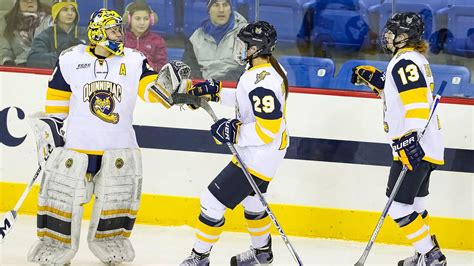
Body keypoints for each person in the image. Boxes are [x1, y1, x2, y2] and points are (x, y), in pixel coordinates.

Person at [26, 8, 190, 265]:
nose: (119, 35)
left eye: (119, 30)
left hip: (118, 148)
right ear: (97, 32)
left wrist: (169, 85)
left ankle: (110, 242)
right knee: (62, 199)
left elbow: (151, 90)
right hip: (78, 147)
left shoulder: (134, 60)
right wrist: (51, 130)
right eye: (113, 30)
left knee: (117, 199)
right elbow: (57, 101)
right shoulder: (71, 58)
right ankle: (56, 246)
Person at [180, 21, 289, 266]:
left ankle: (199, 258)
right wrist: (215, 92)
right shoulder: (267, 69)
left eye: (244, 44)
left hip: (257, 155)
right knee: (252, 201)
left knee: (211, 200)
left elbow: (267, 130)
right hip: (268, 154)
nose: (239, 48)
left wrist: (233, 131)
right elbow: (246, 101)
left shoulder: (262, 81)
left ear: (256, 48)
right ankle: (262, 253)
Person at [351, 12, 447, 266]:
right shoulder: (411, 59)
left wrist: (408, 139)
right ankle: (423, 253)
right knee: (415, 204)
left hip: (415, 146)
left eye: (393, 32)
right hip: (427, 145)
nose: (387, 36)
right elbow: (404, 94)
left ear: (406, 37)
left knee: (398, 207)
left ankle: (431, 255)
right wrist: (381, 83)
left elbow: (415, 103)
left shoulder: (404, 62)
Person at [182, 0, 247, 81]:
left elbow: (248, 66)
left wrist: (223, 82)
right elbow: (187, 66)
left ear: (230, 9)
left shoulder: (245, 34)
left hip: (234, 87)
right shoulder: (196, 37)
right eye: (216, 5)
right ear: (208, 10)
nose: (221, 10)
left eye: (225, 5)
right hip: (204, 88)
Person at [26, 0, 86, 68]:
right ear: (56, 13)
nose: (70, 13)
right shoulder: (46, 36)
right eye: (65, 10)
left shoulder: (86, 33)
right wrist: (61, 55)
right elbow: (33, 60)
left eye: (73, 10)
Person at [0, 0, 52, 66]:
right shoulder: (8, 21)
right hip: (20, 67)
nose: (30, 1)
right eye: (25, 0)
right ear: (18, 3)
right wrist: (7, 62)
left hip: (45, 66)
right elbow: (5, 50)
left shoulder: (50, 20)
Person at [124, 0, 168, 70]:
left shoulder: (158, 41)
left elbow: (162, 67)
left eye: (146, 19)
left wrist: (144, 61)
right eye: (137, 19)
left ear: (151, 20)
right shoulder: (120, 39)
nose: (142, 23)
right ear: (129, 19)